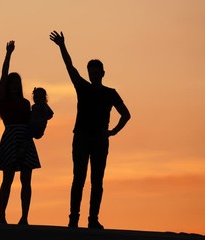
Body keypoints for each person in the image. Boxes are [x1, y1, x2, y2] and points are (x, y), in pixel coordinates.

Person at [50, 31, 131, 229]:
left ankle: (93, 219)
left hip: (99, 140)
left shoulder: (111, 93)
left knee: (97, 181)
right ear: (89, 73)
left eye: (97, 72)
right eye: (91, 72)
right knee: (78, 179)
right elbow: (70, 67)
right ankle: (73, 219)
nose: (94, 75)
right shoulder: (82, 87)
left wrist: (112, 132)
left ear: (103, 73)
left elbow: (126, 114)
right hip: (81, 138)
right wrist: (62, 46)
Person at [0, 40, 41, 225]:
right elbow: (3, 74)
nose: (14, 85)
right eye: (12, 82)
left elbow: (32, 122)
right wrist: (8, 55)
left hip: (25, 137)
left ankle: (24, 217)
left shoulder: (25, 103)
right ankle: (2, 216)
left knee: (26, 180)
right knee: (7, 179)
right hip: (10, 137)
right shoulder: (2, 99)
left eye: (17, 82)